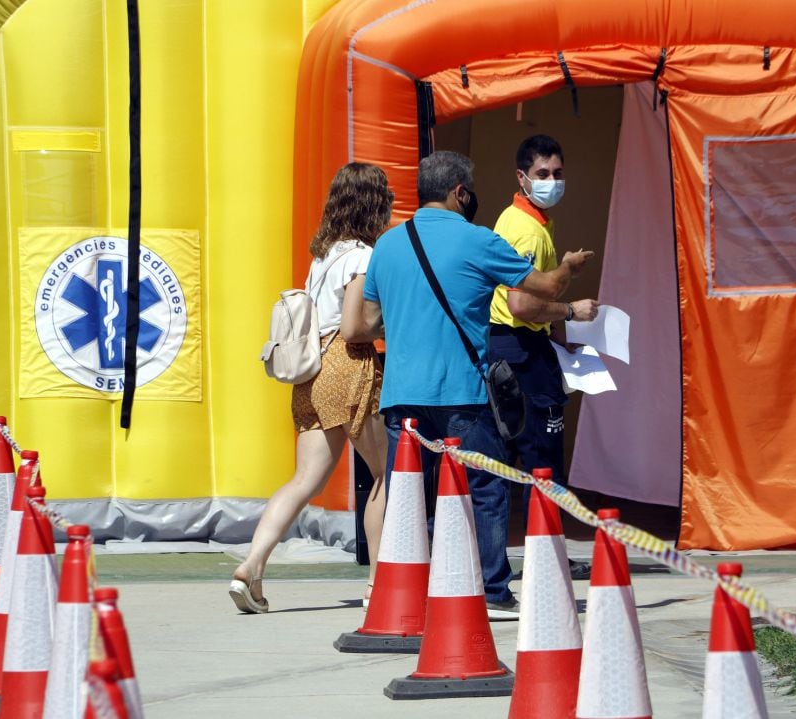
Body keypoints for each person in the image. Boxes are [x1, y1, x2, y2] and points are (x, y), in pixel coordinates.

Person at [345, 150, 592, 619]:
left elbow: (364, 325)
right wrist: (569, 268)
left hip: (401, 396)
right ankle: (493, 591)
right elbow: (543, 289)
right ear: (459, 192)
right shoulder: (478, 240)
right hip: (463, 392)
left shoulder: (388, 245)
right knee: (485, 488)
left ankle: (407, 595)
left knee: (407, 496)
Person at [230, 163, 393, 613]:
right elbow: (355, 326)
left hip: (311, 371)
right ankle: (379, 586)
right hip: (348, 363)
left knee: (304, 479)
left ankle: (252, 566)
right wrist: (391, 320)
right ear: (374, 205)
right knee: (387, 476)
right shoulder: (361, 257)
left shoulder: (322, 256)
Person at [488, 135, 598, 579]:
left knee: (513, 459)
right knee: (541, 459)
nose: (552, 182)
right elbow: (520, 305)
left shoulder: (527, 220)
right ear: (521, 177)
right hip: (519, 352)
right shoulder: (525, 231)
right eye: (542, 175)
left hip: (519, 345)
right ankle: (547, 560)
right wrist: (571, 310)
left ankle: (531, 557)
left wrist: (555, 332)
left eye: (557, 173)